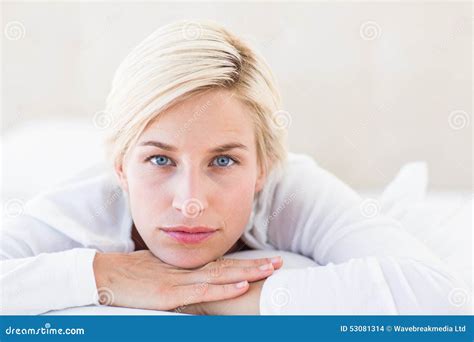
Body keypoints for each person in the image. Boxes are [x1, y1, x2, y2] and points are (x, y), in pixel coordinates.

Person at [0, 20, 468, 315]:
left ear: (262, 166)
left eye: (223, 160)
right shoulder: (81, 207)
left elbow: (435, 294)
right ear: (121, 167)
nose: (189, 201)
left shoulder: (290, 191)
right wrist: (105, 276)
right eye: (160, 159)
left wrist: (202, 294)